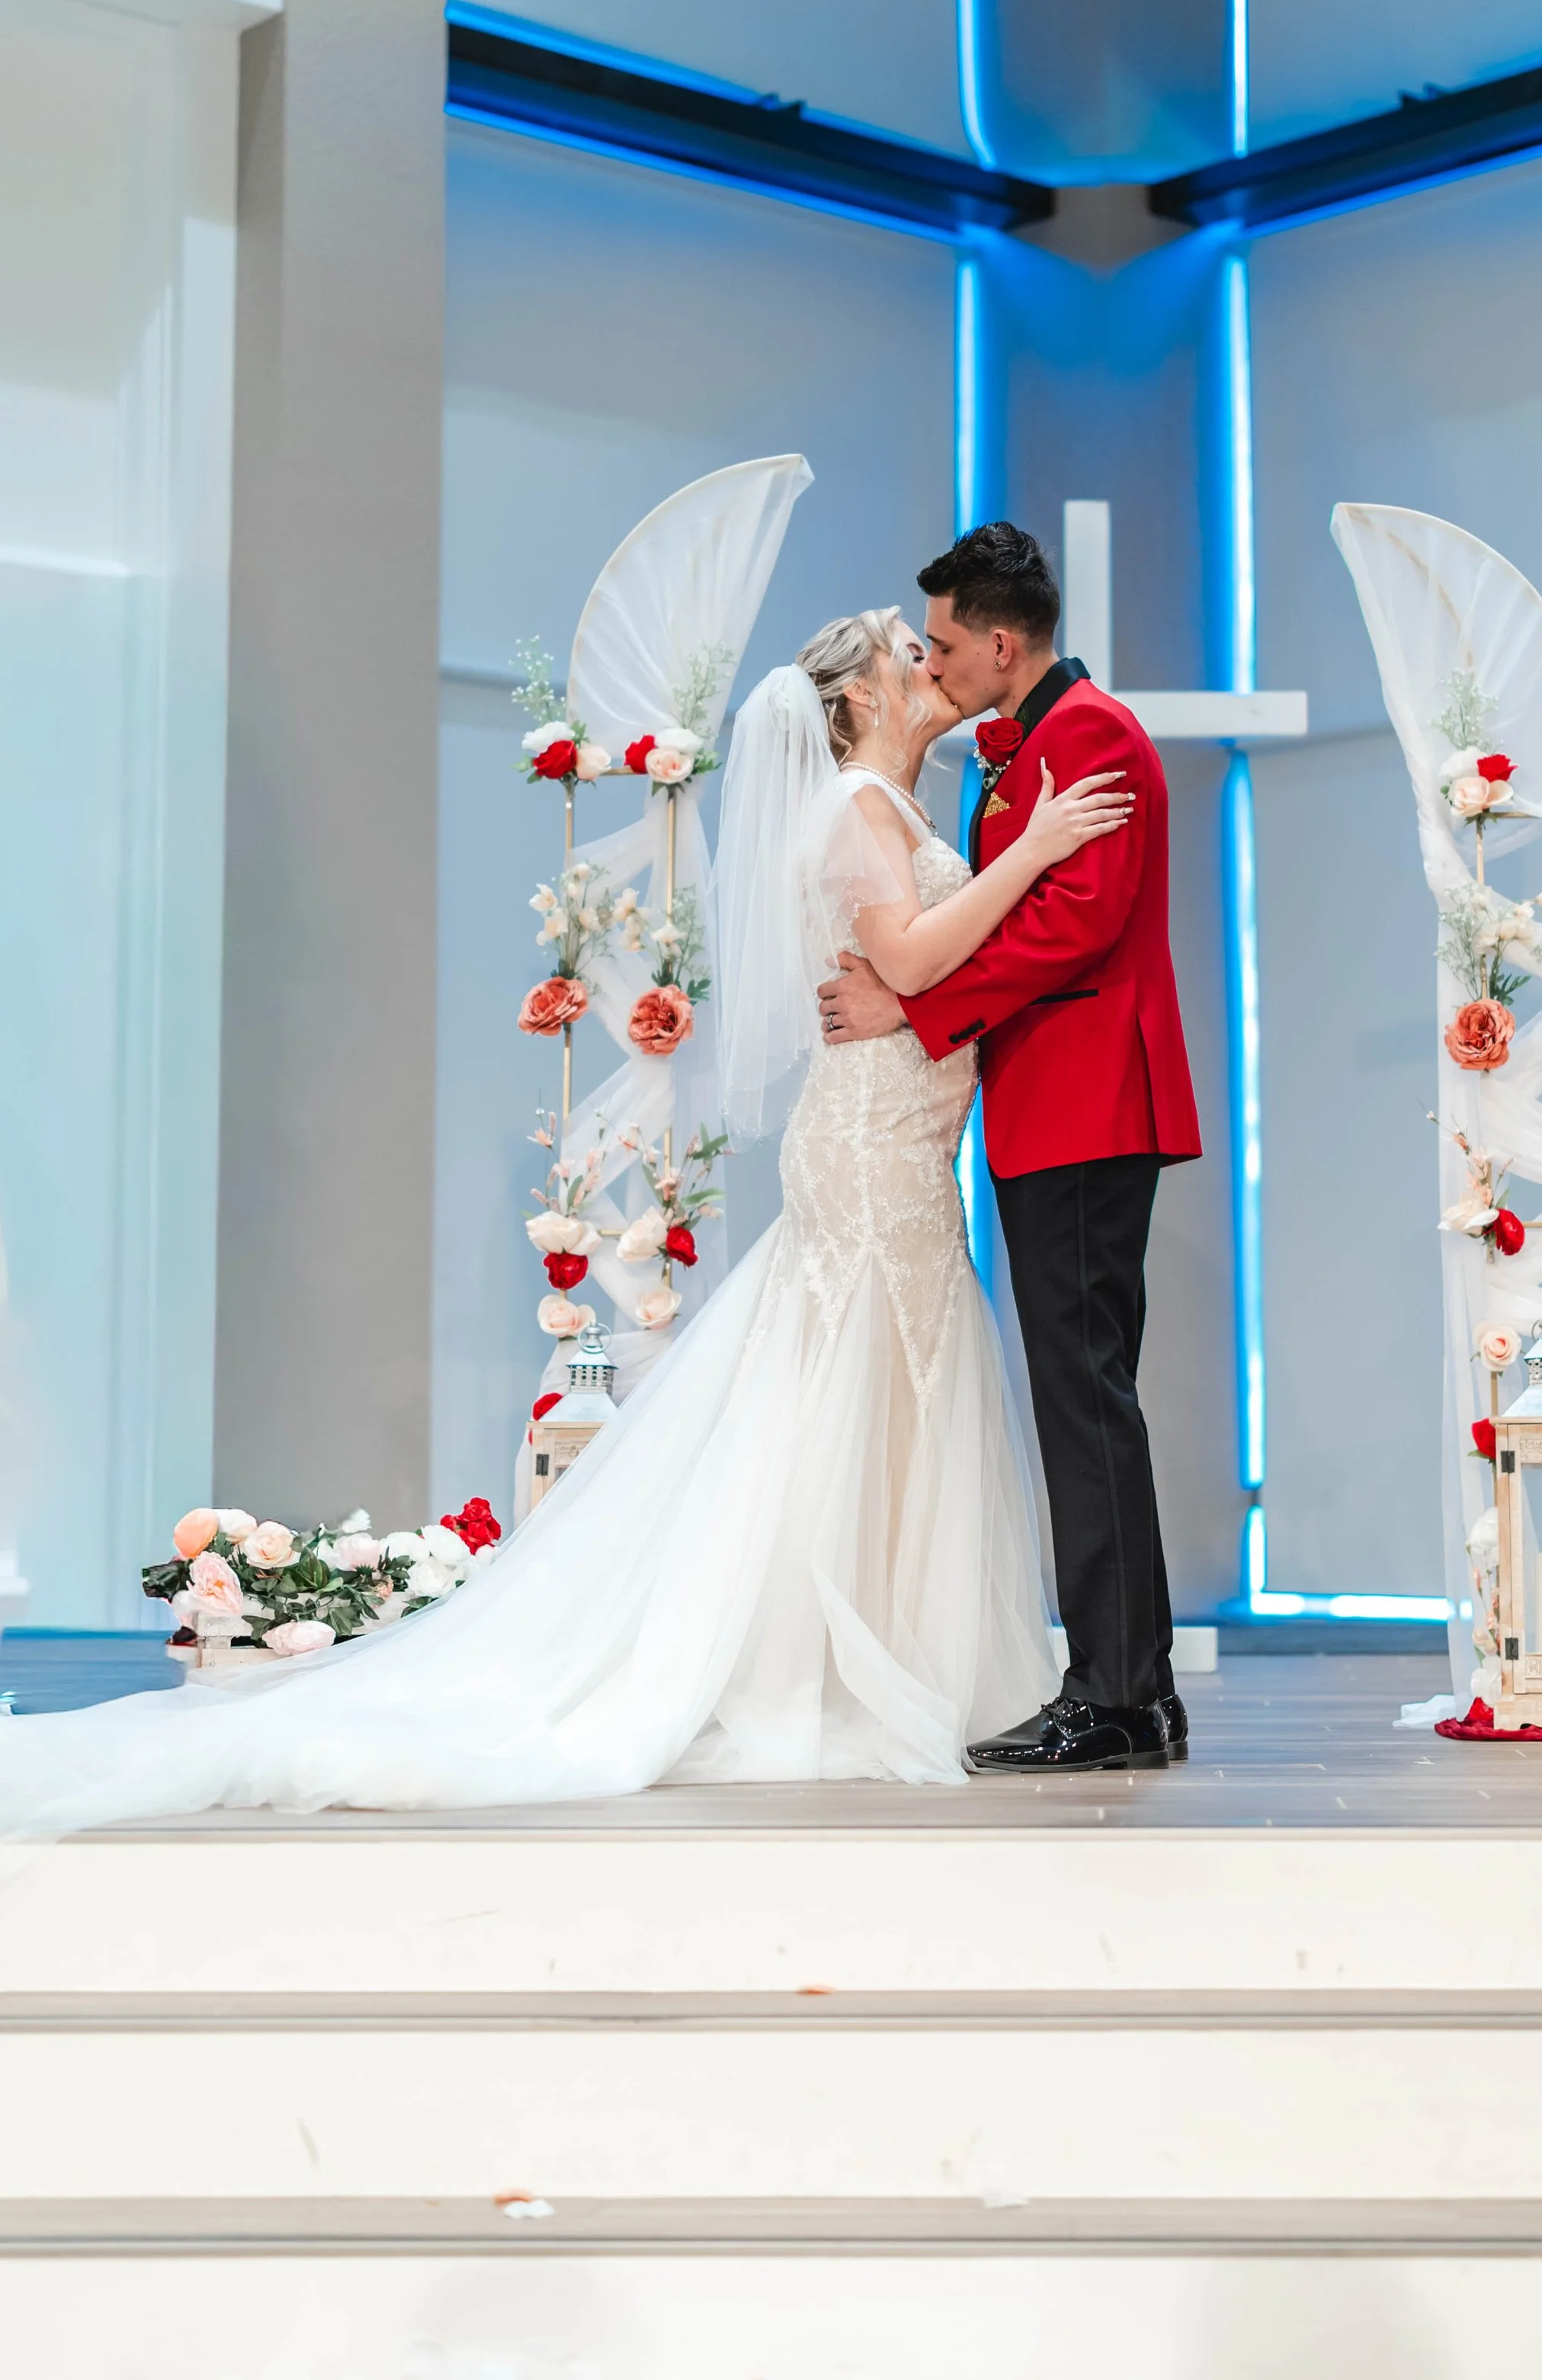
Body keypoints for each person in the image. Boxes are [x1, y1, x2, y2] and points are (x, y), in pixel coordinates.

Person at [0, 608, 1136, 1833]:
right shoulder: (855, 806)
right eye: (902, 650)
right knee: (856, 1383)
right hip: (867, 1149)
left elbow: (923, 975)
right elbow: (911, 962)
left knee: (896, 1394)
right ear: (856, 697)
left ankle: (895, 1653)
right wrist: (1037, 855)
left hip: (909, 1139)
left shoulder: (908, 807)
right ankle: (818, 1665)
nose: (927, 660)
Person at [819, 523, 1201, 1776]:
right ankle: (1134, 1686)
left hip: (1088, 1107)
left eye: (941, 642)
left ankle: (1112, 1691)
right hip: (1048, 1108)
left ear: (998, 640)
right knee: (1086, 1396)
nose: (931, 663)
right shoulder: (1019, 745)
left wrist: (912, 1006)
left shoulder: (1090, 739)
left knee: (1084, 1397)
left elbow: (1071, 928)